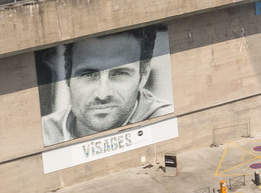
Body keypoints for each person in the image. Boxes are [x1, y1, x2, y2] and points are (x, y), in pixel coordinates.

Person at [39, 28, 173, 146]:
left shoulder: (167, 123)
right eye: (88, 74)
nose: (102, 94)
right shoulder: (44, 135)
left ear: (143, 75)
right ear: (67, 77)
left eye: (120, 73)